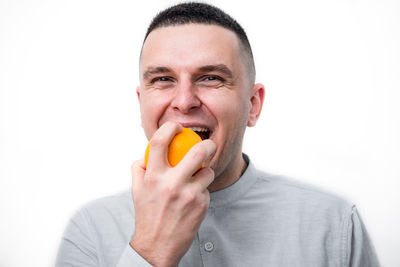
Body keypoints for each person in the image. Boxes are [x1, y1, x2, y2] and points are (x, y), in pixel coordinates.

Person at [55, 2, 380, 266]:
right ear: (142, 106)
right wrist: (150, 251)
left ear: (253, 105)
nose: (183, 101)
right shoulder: (89, 230)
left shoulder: (334, 223)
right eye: (163, 79)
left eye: (210, 78)